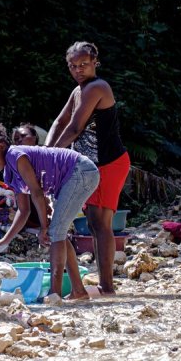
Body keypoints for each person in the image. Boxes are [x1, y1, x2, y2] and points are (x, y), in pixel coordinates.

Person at [0, 121, 99, 300]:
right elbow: (24, 210)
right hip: (71, 178)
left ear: (1, 146)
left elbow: (36, 192)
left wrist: (44, 227)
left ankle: (54, 294)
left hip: (81, 171)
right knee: (57, 232)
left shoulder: (15, 155)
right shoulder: (8, 173)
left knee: (55, 231)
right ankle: (78, 291)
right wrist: (4, 241)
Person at [45, 41, 130, 296]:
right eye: (73, 66)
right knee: (93, 222)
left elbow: (74, 128)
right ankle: (104, 285)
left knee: (101, 222)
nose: (78, 70)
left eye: (83, 64)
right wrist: (46, 150)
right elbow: (59, 122)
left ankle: (107, 287)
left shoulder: (97, 87)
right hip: (90, 164)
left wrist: (52, 156)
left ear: (95, 63)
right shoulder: (78, 91)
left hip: (109, 162)